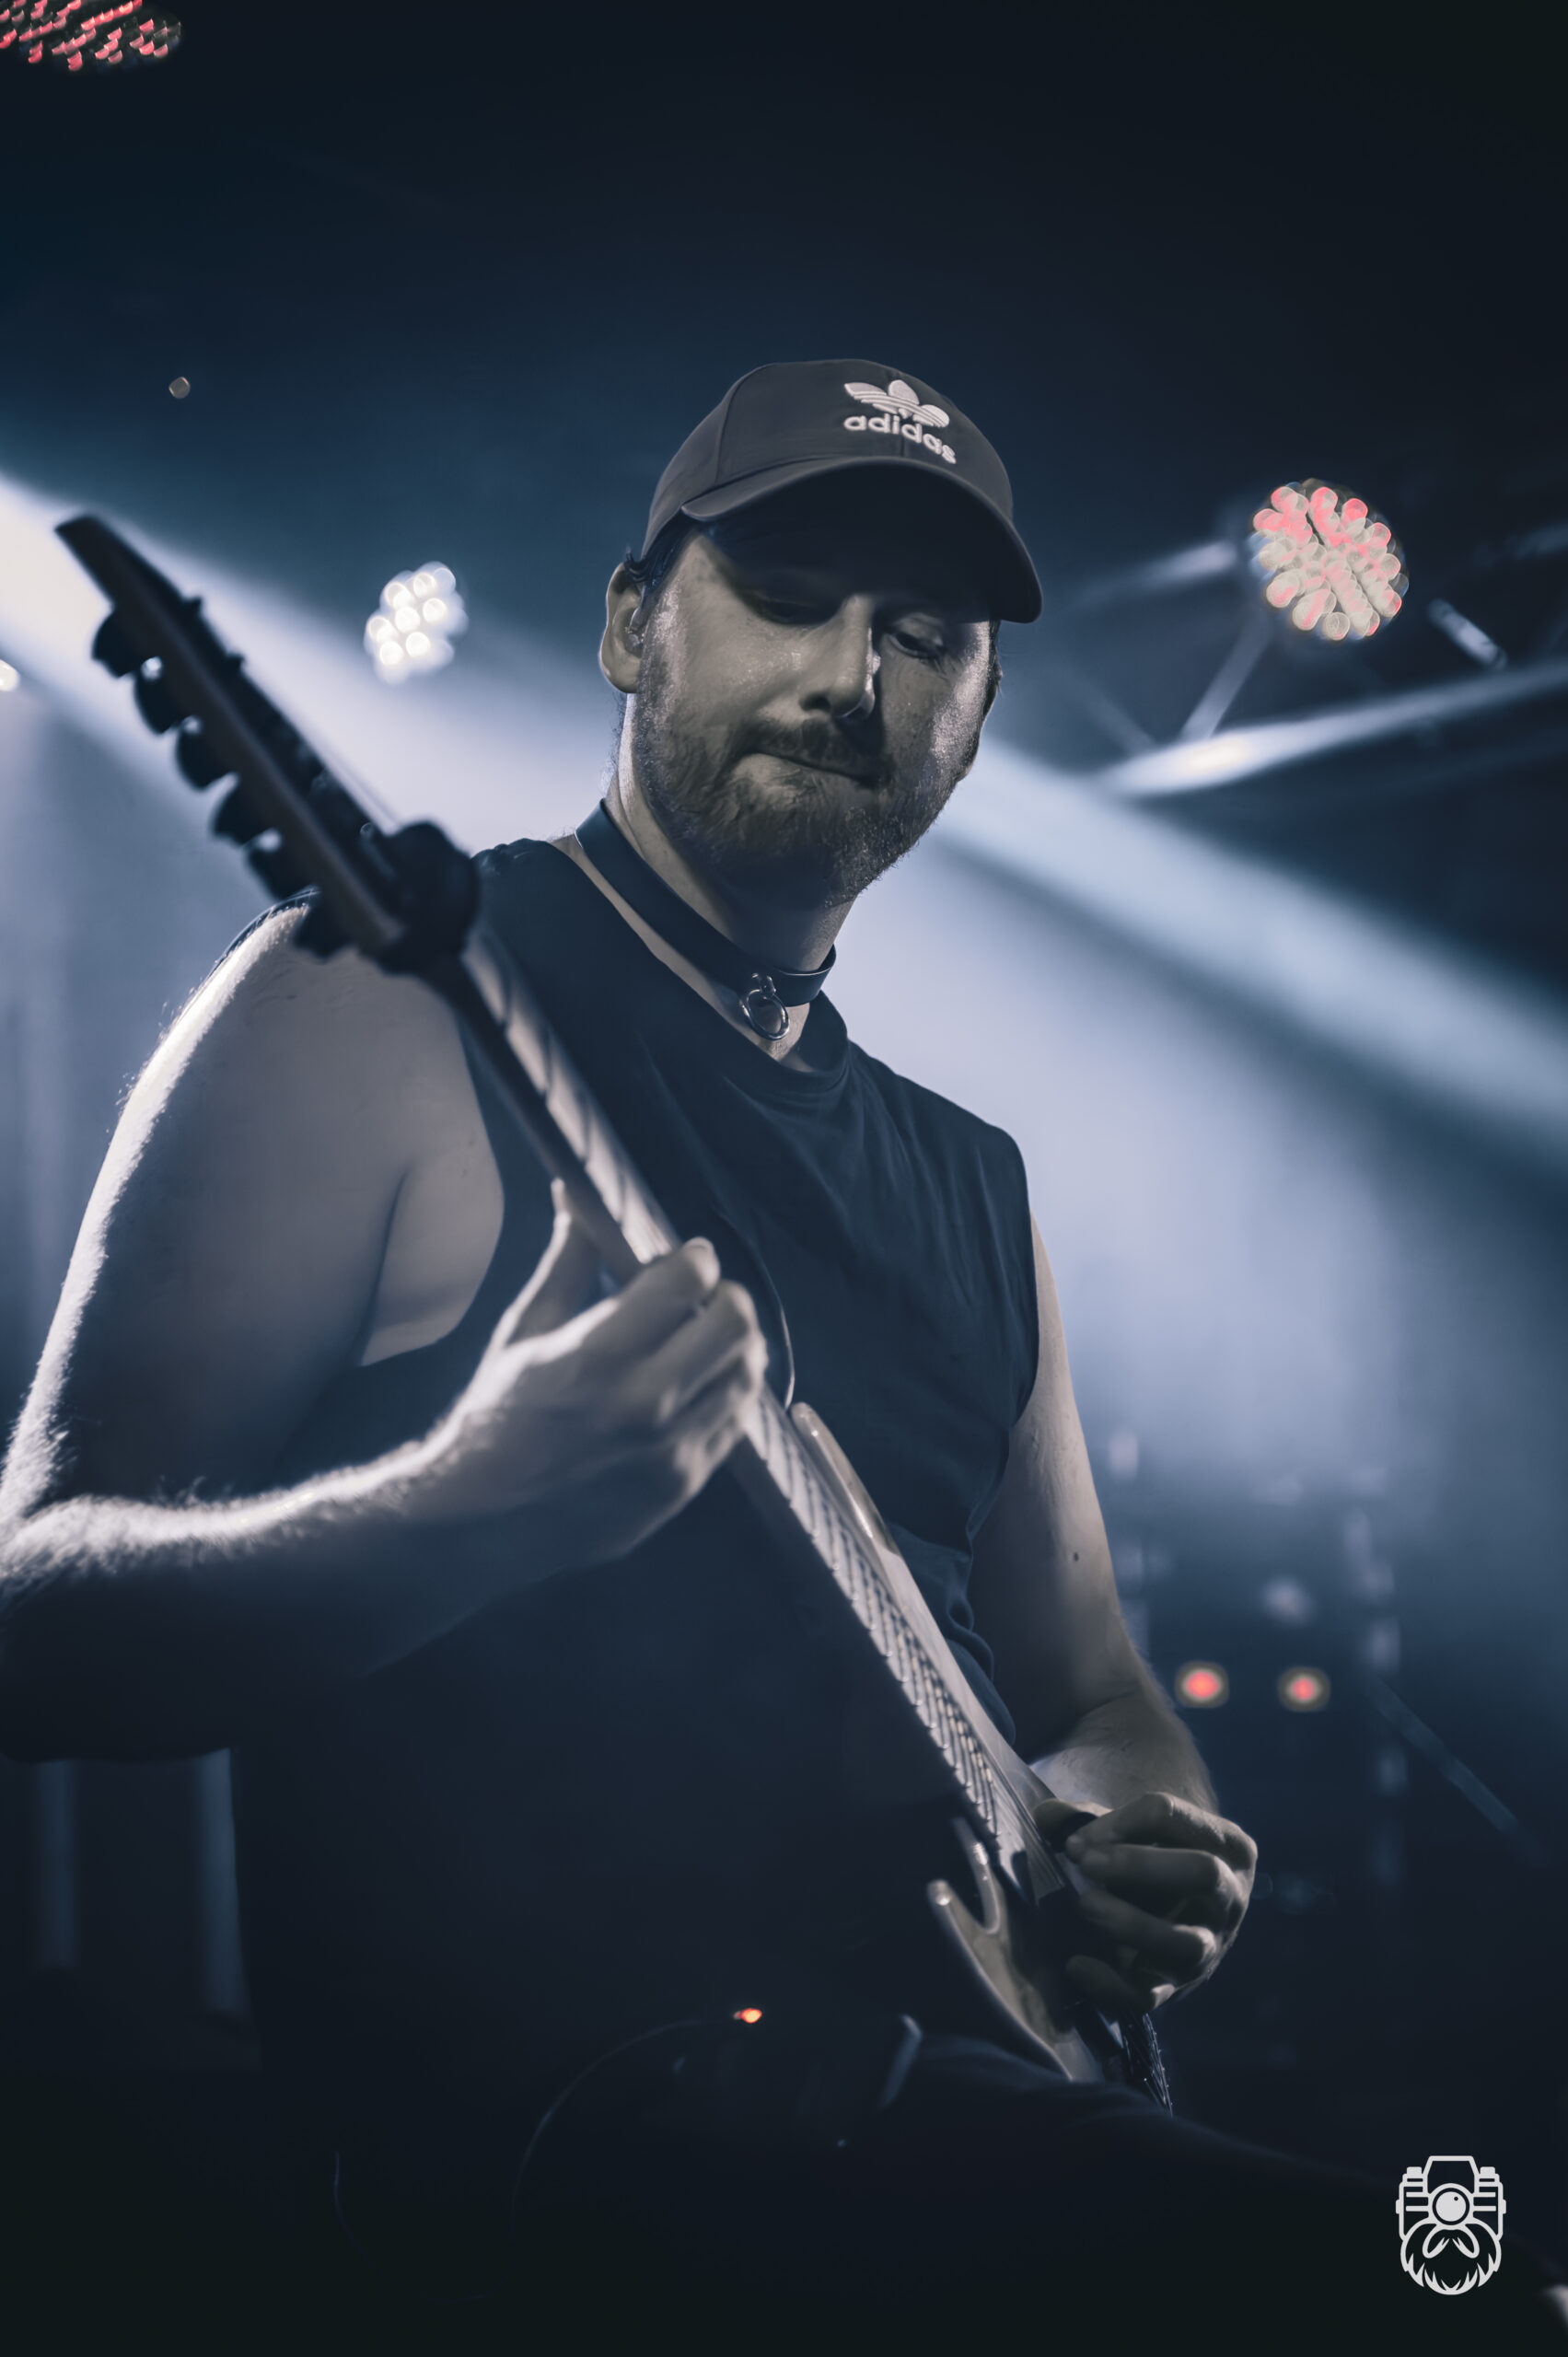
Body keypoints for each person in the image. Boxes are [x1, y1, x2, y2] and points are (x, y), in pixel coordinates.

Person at [0, 361, 1560, 2351]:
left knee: (1483, 2257)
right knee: (1448, 2295)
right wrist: (462, 1510)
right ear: (630, 623)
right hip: (555, 2170)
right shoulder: (375, 993)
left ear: (981, 711)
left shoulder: (976, 1185)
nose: (852, 674)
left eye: (925, 637)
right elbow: (31, 1619)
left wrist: (1126, 1839)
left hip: (967, 2125)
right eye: (790, 595)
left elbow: (1096, 1690)